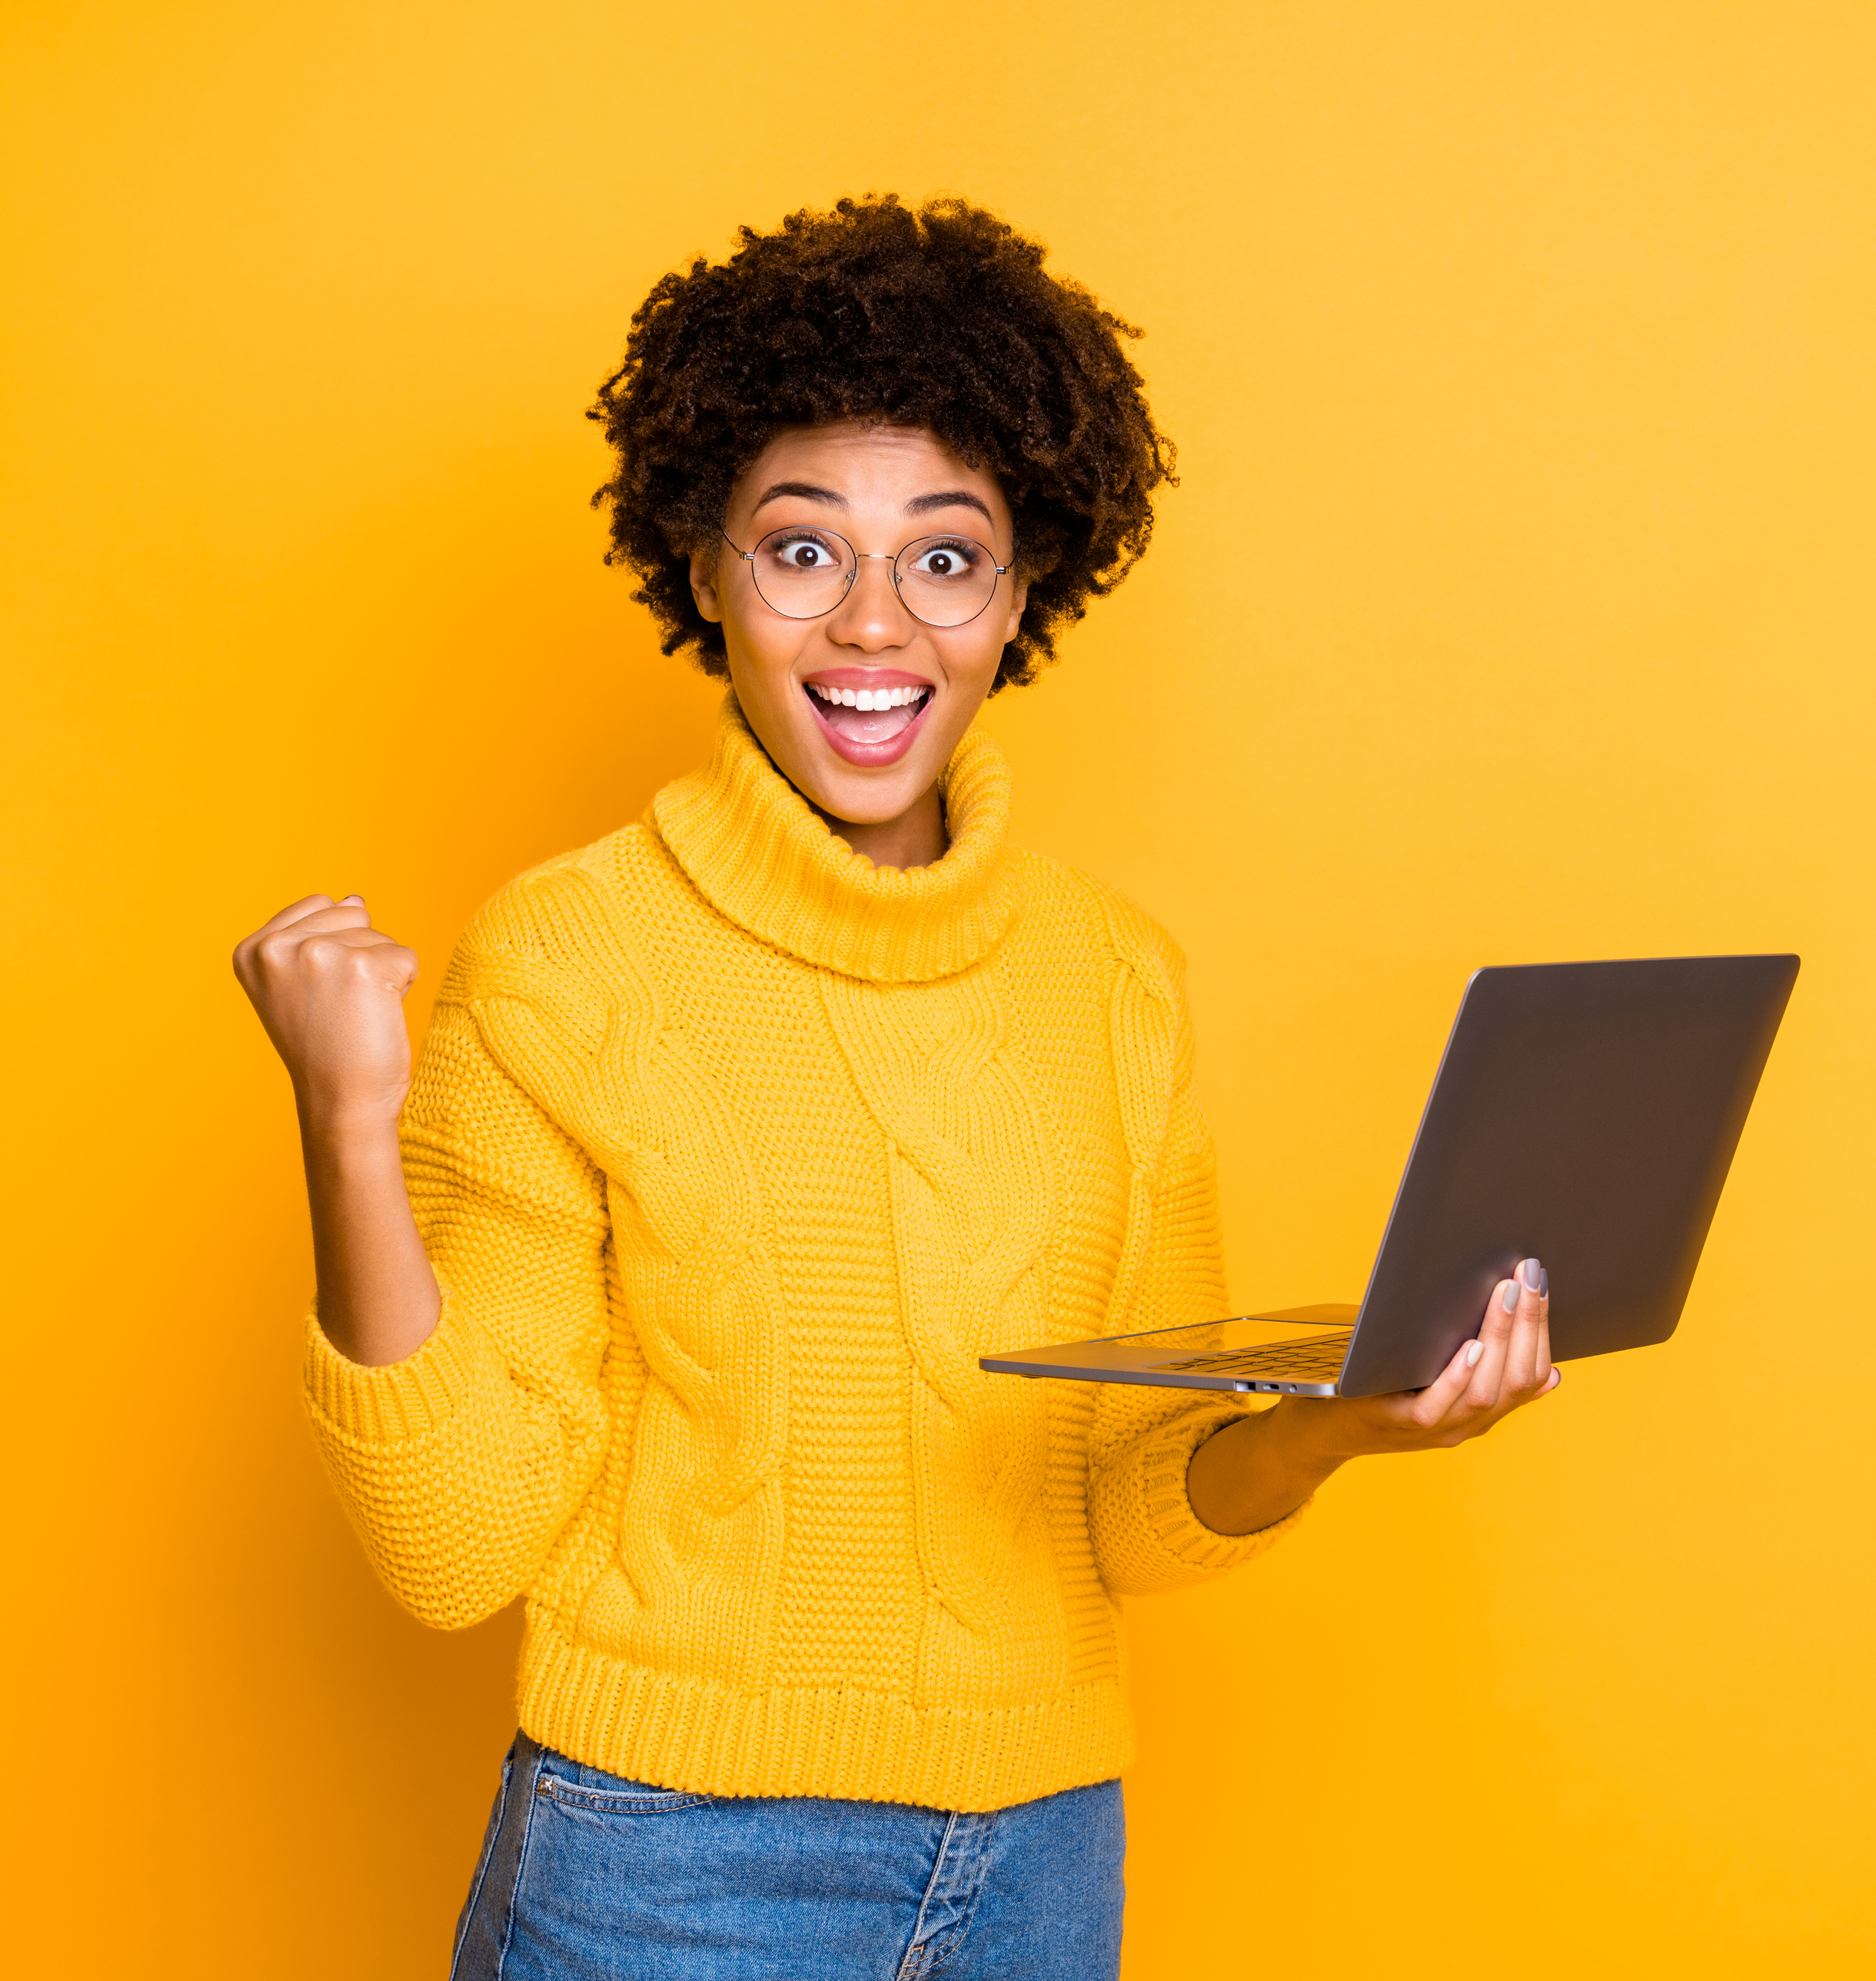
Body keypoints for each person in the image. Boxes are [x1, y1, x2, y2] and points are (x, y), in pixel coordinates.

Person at [231, 195, 1558, 1981]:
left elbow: (1132, 1505)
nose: (874, 624)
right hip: (666, 1870)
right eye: (803, 549)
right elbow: (453, 1542)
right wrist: (345, 1127)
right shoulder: (566, 959)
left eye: (945, 558)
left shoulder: (1116, 978)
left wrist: (1349, 1422)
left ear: (1022, 594)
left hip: (1043, 1861)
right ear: (705, 566)